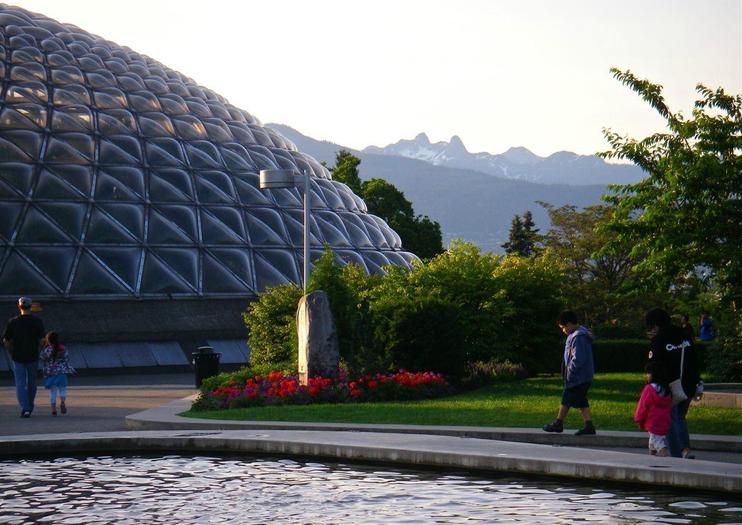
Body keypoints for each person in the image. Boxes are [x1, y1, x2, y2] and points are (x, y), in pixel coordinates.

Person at [645, 308, 703, 459]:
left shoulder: (658, 340)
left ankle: (677, 455)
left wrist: (651, 385)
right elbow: (695, 360)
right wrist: (698, 382)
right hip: (689, 383)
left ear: (655, 324)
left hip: (670, 386)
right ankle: (686, 449)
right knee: (680, 418)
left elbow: (653, 367)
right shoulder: (685, 335)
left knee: (670, 419)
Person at [543, 310, 596, 435]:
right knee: (580, 400)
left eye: (563, 327)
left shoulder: (579, 337)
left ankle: (558, 423)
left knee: (567, 399)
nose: (563, 330)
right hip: (581, 376)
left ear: (569, 324)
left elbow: (578, 358)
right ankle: (588, 425)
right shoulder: (578, 334)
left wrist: (570, 371)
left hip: (578, 376)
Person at [2, 297, 45, 418]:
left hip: (17, 356)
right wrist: (39, 349)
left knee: (20, 383)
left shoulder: (13, 321)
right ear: (30, 306)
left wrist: (11, 350)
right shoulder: (37, 321)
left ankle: (25, 408)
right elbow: (42, 340)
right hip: (32, 355)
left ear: (19, 306)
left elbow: (6, 339)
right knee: (32, 382)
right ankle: (30, 406)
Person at [634, 362, 672, 457]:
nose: (647, 375)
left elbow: (642, 406)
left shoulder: (649, 389)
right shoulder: (665, 390)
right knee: (652, 443)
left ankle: (665, 460)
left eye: (648, 373)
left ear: (654, 374)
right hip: (664, 420)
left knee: (659, 444)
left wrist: (638, 418)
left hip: (653, 422)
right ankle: (651, 460)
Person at [40, 331, 75, 416]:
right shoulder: (63, 348)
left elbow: (42, 358)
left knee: (53, 391)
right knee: (62, 389)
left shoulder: (47, 350)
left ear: (48, 340)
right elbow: (67, 358)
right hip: (61, 372)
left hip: (51, 372)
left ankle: (53, 409)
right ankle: (62, 402)